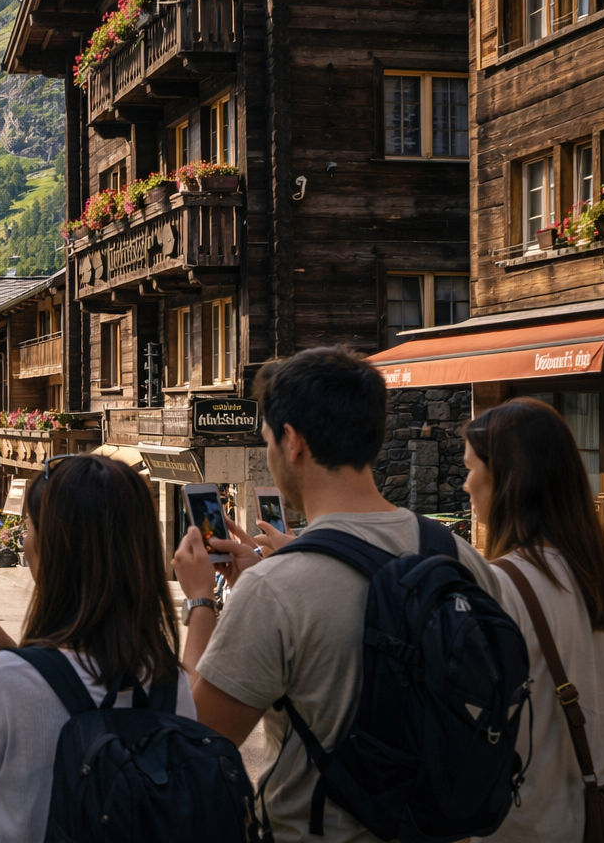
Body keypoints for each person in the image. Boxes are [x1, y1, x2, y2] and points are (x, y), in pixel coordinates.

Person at [173, 346, 501, 843]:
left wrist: (202, 600)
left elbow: (196, 743)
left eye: (267, 440)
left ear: (293, 442)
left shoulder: (275, 589)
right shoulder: (461, 558)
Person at [0, 455, 192, 842]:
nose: (24, 539)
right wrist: (23, 657)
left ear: (52, 547)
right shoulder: (171, 681)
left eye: (29, 527)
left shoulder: (2, 682)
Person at [462, 398, 604, 843]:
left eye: (470, 468)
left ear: (506, 479)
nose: (466, 484)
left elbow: (467, 723)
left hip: (526, 823)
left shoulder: (499, 587)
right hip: (595, 813)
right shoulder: (595, 574)